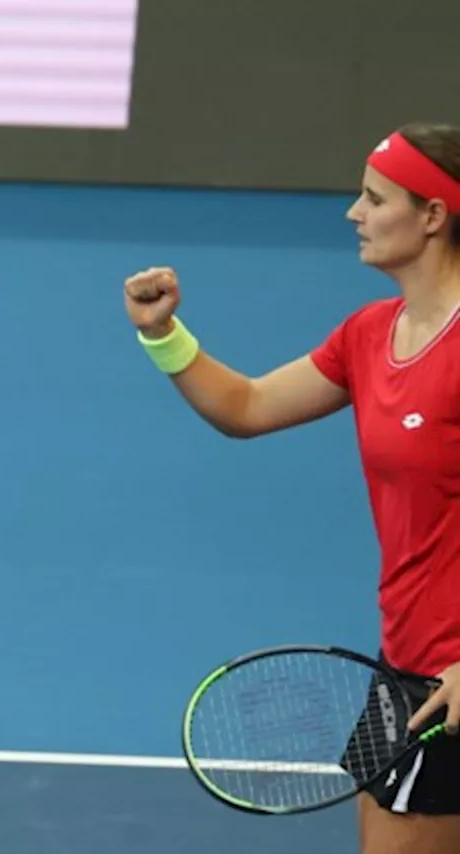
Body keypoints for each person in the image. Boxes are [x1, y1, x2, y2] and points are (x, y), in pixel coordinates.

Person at [124, 122, 460, 853]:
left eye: (374, 198)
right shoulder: (370, 334)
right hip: (405, 666)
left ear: (433, 215)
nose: (353, 212)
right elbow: (245, 407)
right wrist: (163, 334)